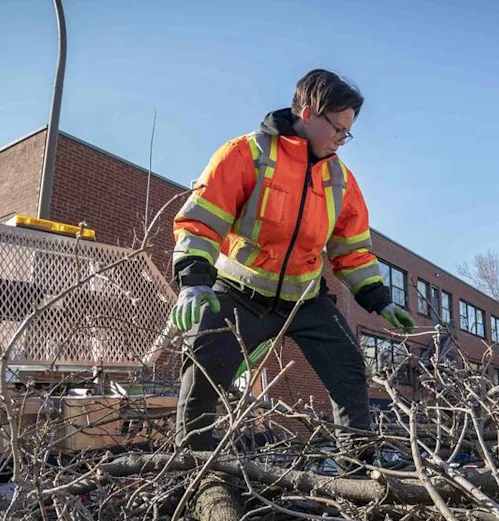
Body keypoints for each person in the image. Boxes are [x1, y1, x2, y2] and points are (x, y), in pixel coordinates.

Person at [169, 69, 414, 455]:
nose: (341, 139)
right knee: (204, 364)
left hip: (305, 299)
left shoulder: (341, 181)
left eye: (347, 133)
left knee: (349, 367)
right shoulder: (245, 154)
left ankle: (359, 464)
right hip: (240, 292)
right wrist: (194, 280)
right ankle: (193, 461)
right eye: (338, 129)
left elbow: (351, 250)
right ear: (309, 112)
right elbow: (201, 221)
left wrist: (379, 299)